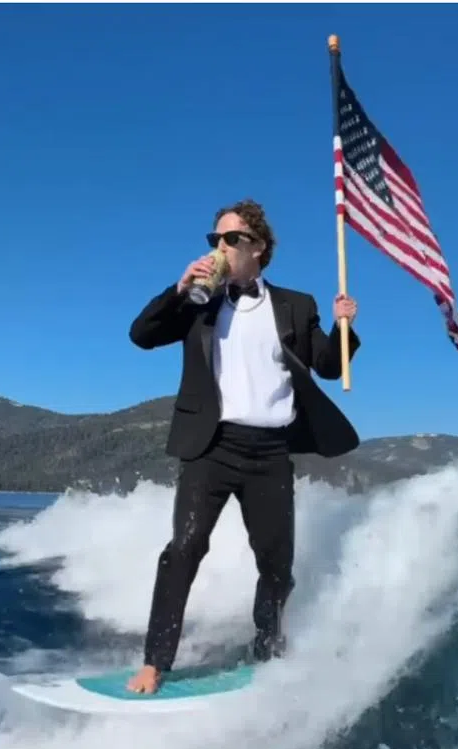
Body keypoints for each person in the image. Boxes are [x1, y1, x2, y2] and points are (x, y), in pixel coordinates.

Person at [125, 198, 361, 694]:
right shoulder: (199, 303)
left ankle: (267, 646)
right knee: (183, 549)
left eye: (231, 239)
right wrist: (179, 288)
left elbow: (328, 366)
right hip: (211, 445)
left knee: (277, 566)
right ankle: (155, 661)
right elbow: (141, 336)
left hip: (271, 452)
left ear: (259, 248)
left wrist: (344, 327)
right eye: (215, 239)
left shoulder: (297, 305)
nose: (220, 247)